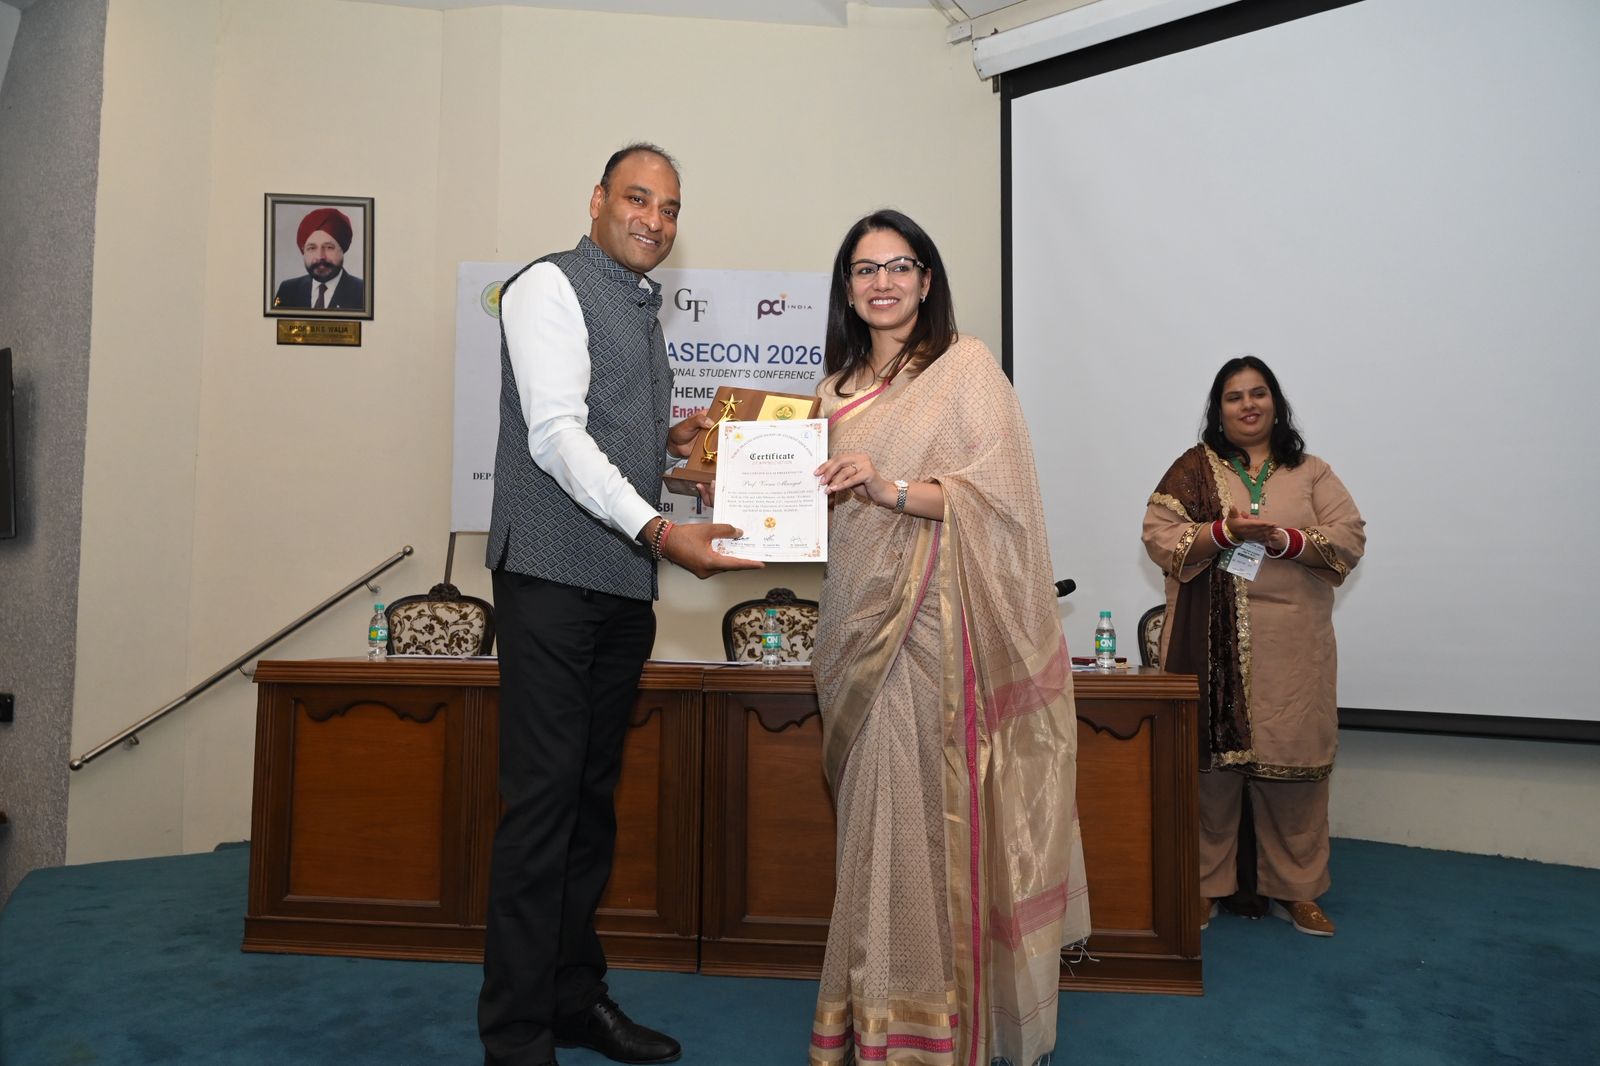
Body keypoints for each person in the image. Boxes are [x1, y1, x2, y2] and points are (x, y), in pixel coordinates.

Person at [480, 143, 760, 1066]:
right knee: (542, 810)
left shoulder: (640, 306)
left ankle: (572, 999)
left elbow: (612, 435)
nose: (655, 220)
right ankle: (516, 1035)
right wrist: (663, 532)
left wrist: (677, 444)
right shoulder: (547, 286)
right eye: (638, 199)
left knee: (589, 805)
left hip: (618, 588)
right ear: (598, 200)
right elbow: (558, 436)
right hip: (551, 581)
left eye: (670, 208)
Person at [807, 210, 1090, 1066]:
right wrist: (736, 478)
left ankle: (935, 1028)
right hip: (853, 624)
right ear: (847, 287)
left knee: (927, 828)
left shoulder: (964, 368)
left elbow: (999, 498)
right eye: (865, 269)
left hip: (932, 630)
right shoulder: (830, 390)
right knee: (869, 829)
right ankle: (873, 1015)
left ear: (926, 280)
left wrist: (889, 487)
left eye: (900, 266)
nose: (883, 283)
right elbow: (803, 506)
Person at [1141, 355, 1365, 937]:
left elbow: (1349, 535)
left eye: (1258, 393)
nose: (1248, 405)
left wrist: (1286, 540)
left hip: (1295, 647)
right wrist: (1225, 532)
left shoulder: (1310, 472)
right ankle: (1204, 887)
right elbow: (1159, 535)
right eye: (1234, 396)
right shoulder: (1194, 468)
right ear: (1219, 410)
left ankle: (1299, 890)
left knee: (1297, 773)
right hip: (1212, 647)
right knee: (1211, 780)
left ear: (1275, 403)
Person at [272, 206, 366, 310]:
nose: (320, 256)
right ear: (304, 251)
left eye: (329, 247)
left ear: (342, 249)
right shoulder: (287, 290)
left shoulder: (363, 292)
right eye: (312, 248)